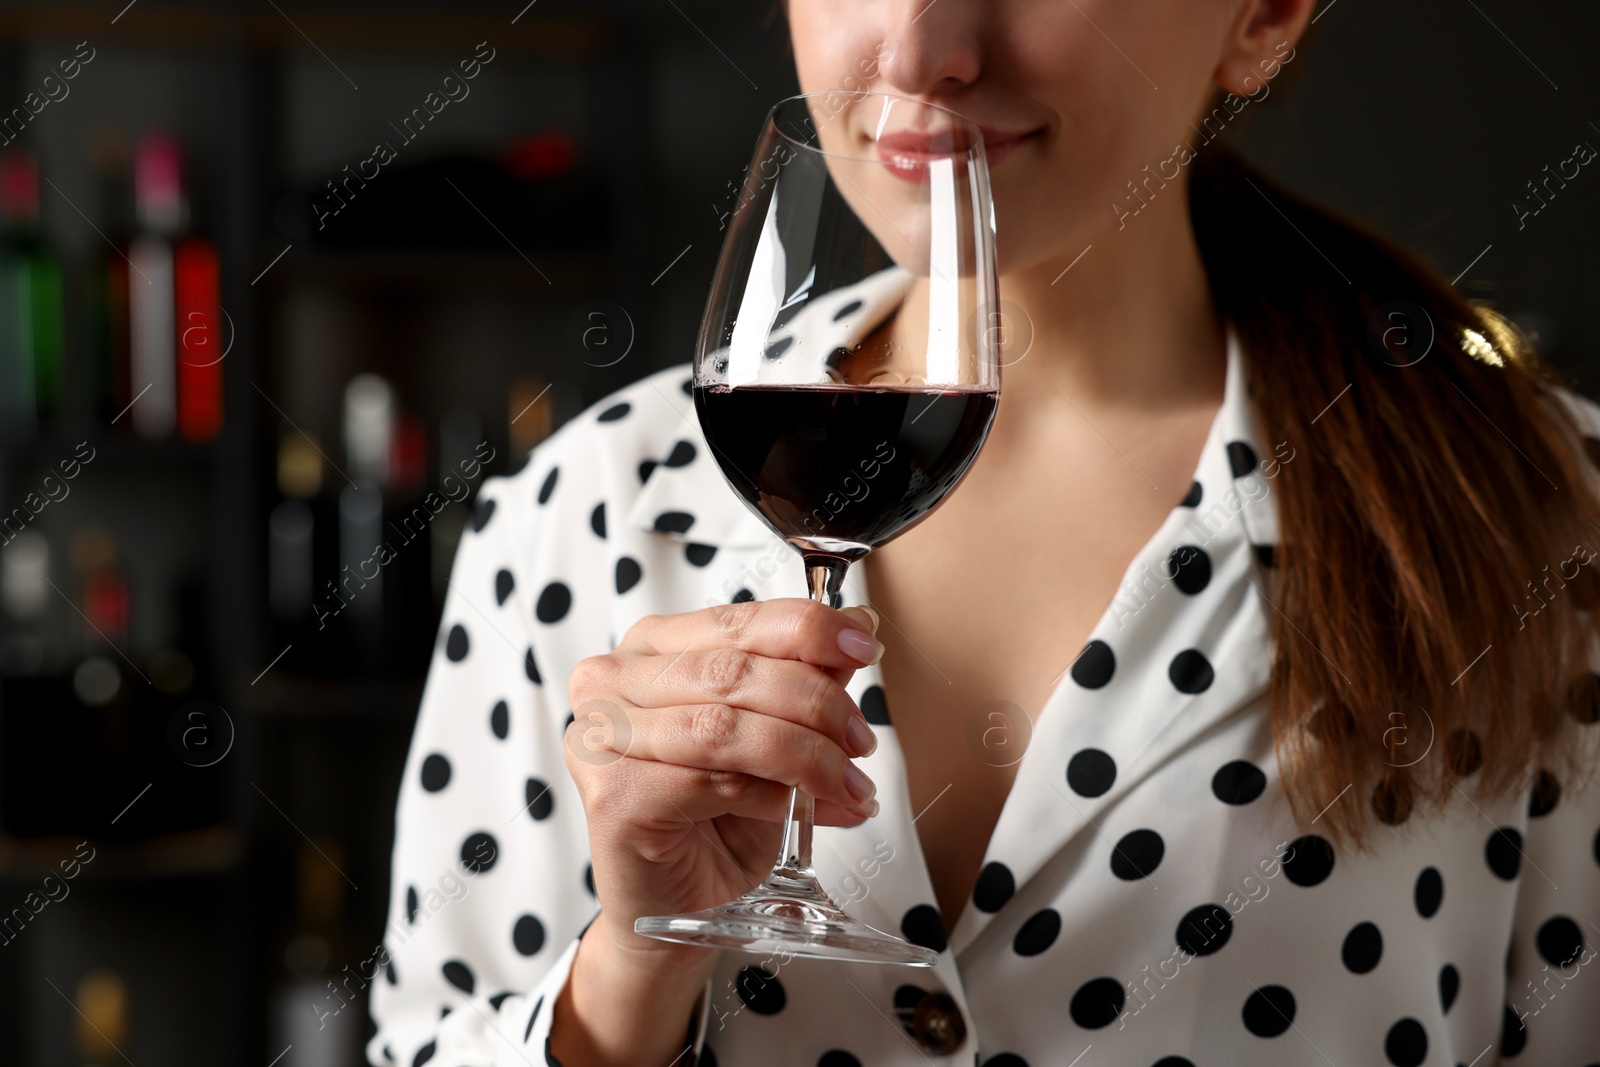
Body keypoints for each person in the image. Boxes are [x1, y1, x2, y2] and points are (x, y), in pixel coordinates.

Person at [368, 0, 1600, 1063]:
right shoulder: (583, 512)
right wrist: (627, 973)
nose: (920, 51)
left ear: (1266, 13)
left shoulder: (1549, 513)